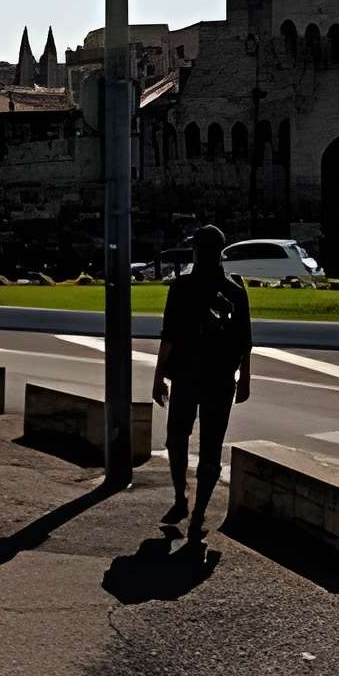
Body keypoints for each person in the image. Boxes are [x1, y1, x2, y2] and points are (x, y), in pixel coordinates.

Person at [151, 224, 252, 538]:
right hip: (220, 378)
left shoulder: (181, 288)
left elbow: (168, 337)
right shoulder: (235, 290)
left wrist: (158, 376)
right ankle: (197, 513)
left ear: (195, 252)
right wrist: (245, 379)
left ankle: (182, 499)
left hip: (187, 376)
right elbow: (245, 341)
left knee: (177, 438)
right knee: (210, 446)